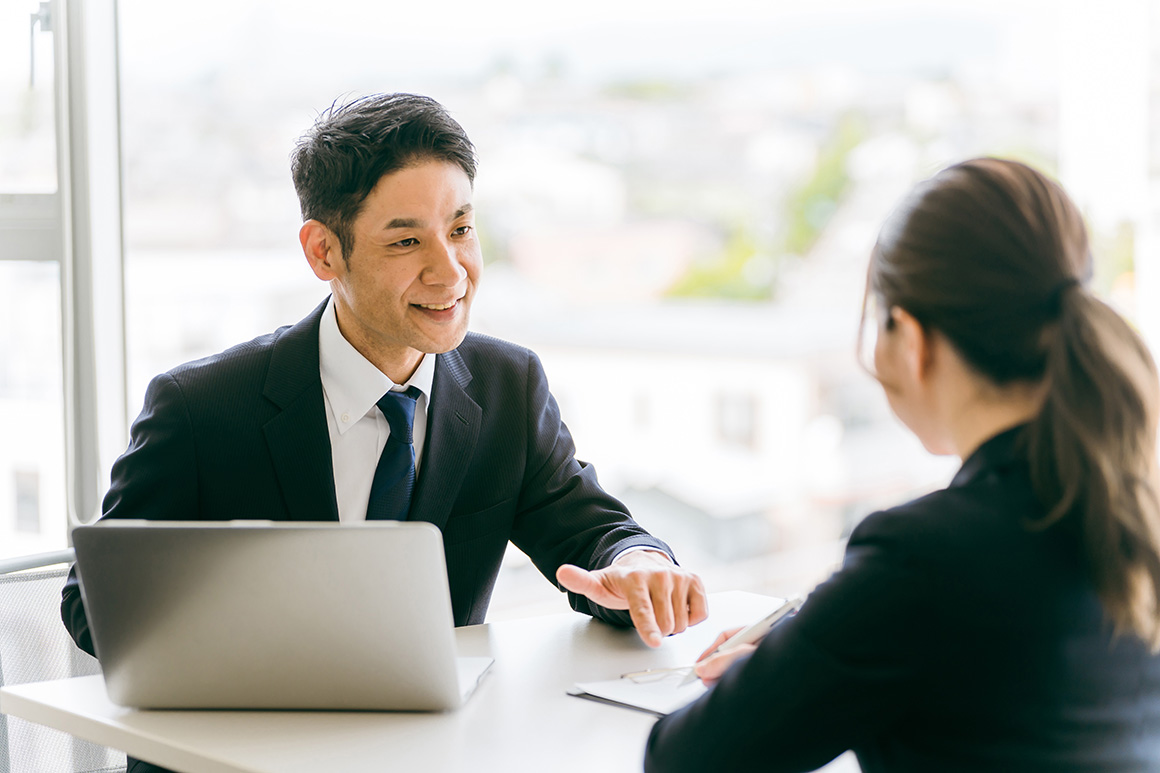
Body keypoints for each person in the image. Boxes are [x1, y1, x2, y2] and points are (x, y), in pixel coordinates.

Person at [59, 93, 706, 773]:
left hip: (424, 755)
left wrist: (640, 566)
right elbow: (93, 604)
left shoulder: (506, 386)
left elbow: (593, 533)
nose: (449, 271)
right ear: (323, 251)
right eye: (406, 242)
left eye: (459, 229)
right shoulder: (202, 407)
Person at [645, 158, 1160, 772]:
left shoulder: (925, 555)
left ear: (911, 341)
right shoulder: (1130, 511)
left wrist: (786, 663)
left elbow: (685, 760)